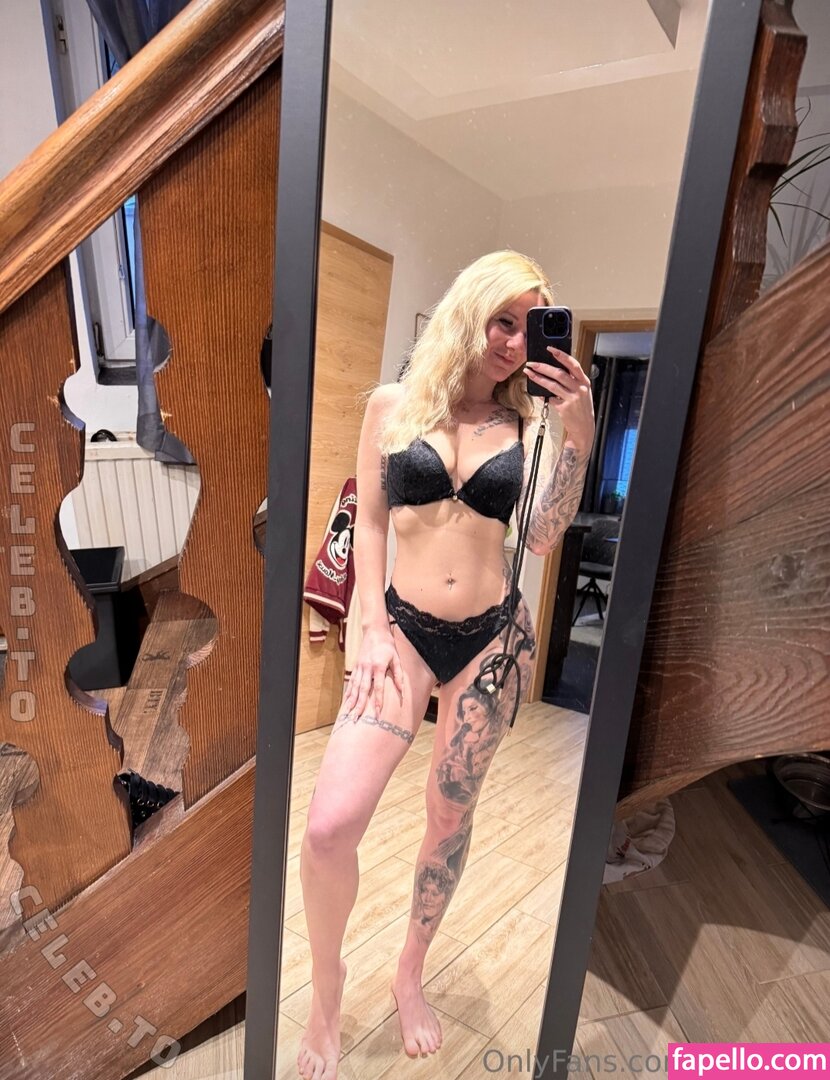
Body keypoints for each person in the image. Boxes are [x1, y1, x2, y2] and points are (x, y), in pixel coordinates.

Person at [297, 250, 595, 1080]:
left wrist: (578, 429)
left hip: (489, 645)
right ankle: (327, 988)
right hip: (401, 633)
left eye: (530, 328)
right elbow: (370, 522)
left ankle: (410, 971)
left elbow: (542, 538)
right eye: (503, 320)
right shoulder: (392, 406)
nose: (514, 343)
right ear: (469, 310)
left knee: (448, 815)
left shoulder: (529, 428)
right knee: (328, 827)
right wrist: (368, 625)